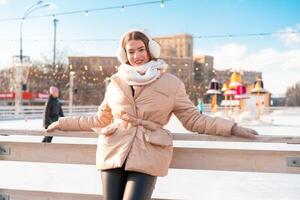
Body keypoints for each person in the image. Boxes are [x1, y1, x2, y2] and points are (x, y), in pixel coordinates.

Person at [46, 29, 258, 200]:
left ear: (150, 50)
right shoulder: (115, 82)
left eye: (141, 49)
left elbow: (194, 119)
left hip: (149, 151)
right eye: (131, 51)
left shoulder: (171, 83)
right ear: (125, 55)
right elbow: (100, 119)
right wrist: (62, 122)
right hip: (113, 149)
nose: (136, 56)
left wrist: (232, 127)